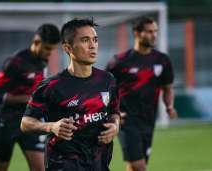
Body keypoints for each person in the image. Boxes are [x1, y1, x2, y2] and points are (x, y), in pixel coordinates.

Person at [21, 18, 120, 171]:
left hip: (98, 163)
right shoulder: (51, 86)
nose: (93, 45)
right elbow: (25, 123)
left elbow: (114, 112)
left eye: (95, 40)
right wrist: (52, 126)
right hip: (63, 164)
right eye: (85, 40)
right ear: (68, 48)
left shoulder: (108, 80)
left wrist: (115, 126)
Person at [106, 16, 178, 171]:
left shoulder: (162, 60)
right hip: (126, 120)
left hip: (148, 120)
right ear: (137, 33)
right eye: (149, 31)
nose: (154, 35)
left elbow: (167, 87)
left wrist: (169, 106)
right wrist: (113, 111)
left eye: (155, 31)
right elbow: (103, 88)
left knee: (134, 165)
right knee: (140, 166)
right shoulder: (120, 61)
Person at [0, 24, 61, 171]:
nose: (50, 53)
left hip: (30, 122)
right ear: (36, 42)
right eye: (48, 48)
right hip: (7, 123)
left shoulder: (43, 62)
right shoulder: (14, 62)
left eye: (53, 49)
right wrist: (27, 99)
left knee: (40, 168)